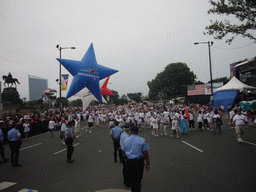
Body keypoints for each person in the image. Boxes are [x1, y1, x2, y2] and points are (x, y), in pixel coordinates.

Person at [122, 126, 150, 192]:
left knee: (132, 179)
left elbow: (124, 152)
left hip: (129, 161)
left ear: (130, 131)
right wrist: (148, 163)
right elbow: (145, 153)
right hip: (138, 162)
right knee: (138, 180)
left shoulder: (126, 140)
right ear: (137, 131)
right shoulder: (142, 140)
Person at [120, 123, 130, 187]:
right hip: (126, 153)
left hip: (122, 151)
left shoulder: (122, 134)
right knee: (128, 169)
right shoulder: (127, 137)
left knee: (124, 168)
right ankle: (128, 182)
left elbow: (120, 142)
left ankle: (125, 180)